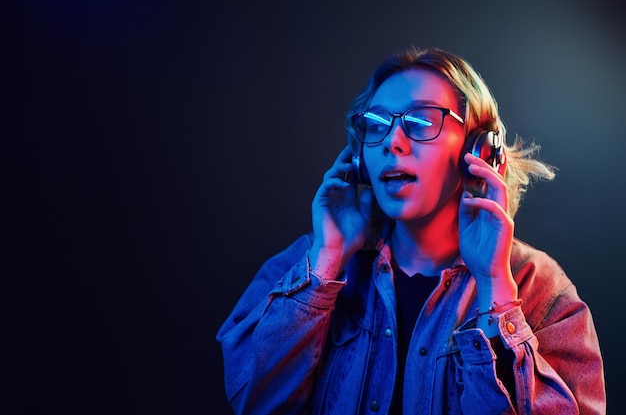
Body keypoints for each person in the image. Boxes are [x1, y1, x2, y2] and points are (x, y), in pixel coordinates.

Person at [216, 47, 606, 415]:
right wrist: (326, 264)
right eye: (377, 125)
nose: (392, 142)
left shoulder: (543, 292)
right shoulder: (309, 262)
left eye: (421, 121)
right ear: (358, 156)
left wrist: (495, 291)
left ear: (479, 150)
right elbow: (254, 402)